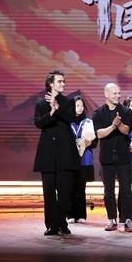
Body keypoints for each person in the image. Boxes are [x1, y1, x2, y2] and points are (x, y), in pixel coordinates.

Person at [33, 70, 79, 236]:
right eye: (60, 81)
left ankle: (62, 223)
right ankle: (51, 225)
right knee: (49, 192)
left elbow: (71, 118)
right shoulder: (40, 103)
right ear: (51, 84)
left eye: (64, 81)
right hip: (48, 154)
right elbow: (39, 123)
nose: (63, 84)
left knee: (65, 191)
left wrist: (57, 108)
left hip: (65, 152)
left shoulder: (68, 102)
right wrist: (51, 112)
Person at [93, 83, 132, 232]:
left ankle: (127, 220)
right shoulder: (98, 113)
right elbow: (99, 134)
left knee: (126, 190)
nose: (118, 95)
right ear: (106, 94)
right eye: (114, 93)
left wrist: (119, 124)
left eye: (119, 93)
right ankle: (112, 219)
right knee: (108, 191)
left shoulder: (126, 111)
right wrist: (112, 126)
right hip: (106, 157)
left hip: (123, 157)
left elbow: (126, 130)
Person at [68, 96, 96, 223]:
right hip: (70, 158)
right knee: (70, 186)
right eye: (77, 105)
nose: (80, 108)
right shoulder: (67, 122)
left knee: (81, 187)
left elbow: (95, 141)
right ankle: (70, 215)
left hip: (84, 159)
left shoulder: (88, 122)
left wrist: (89, 142)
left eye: (82, 105)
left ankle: (81, 215)